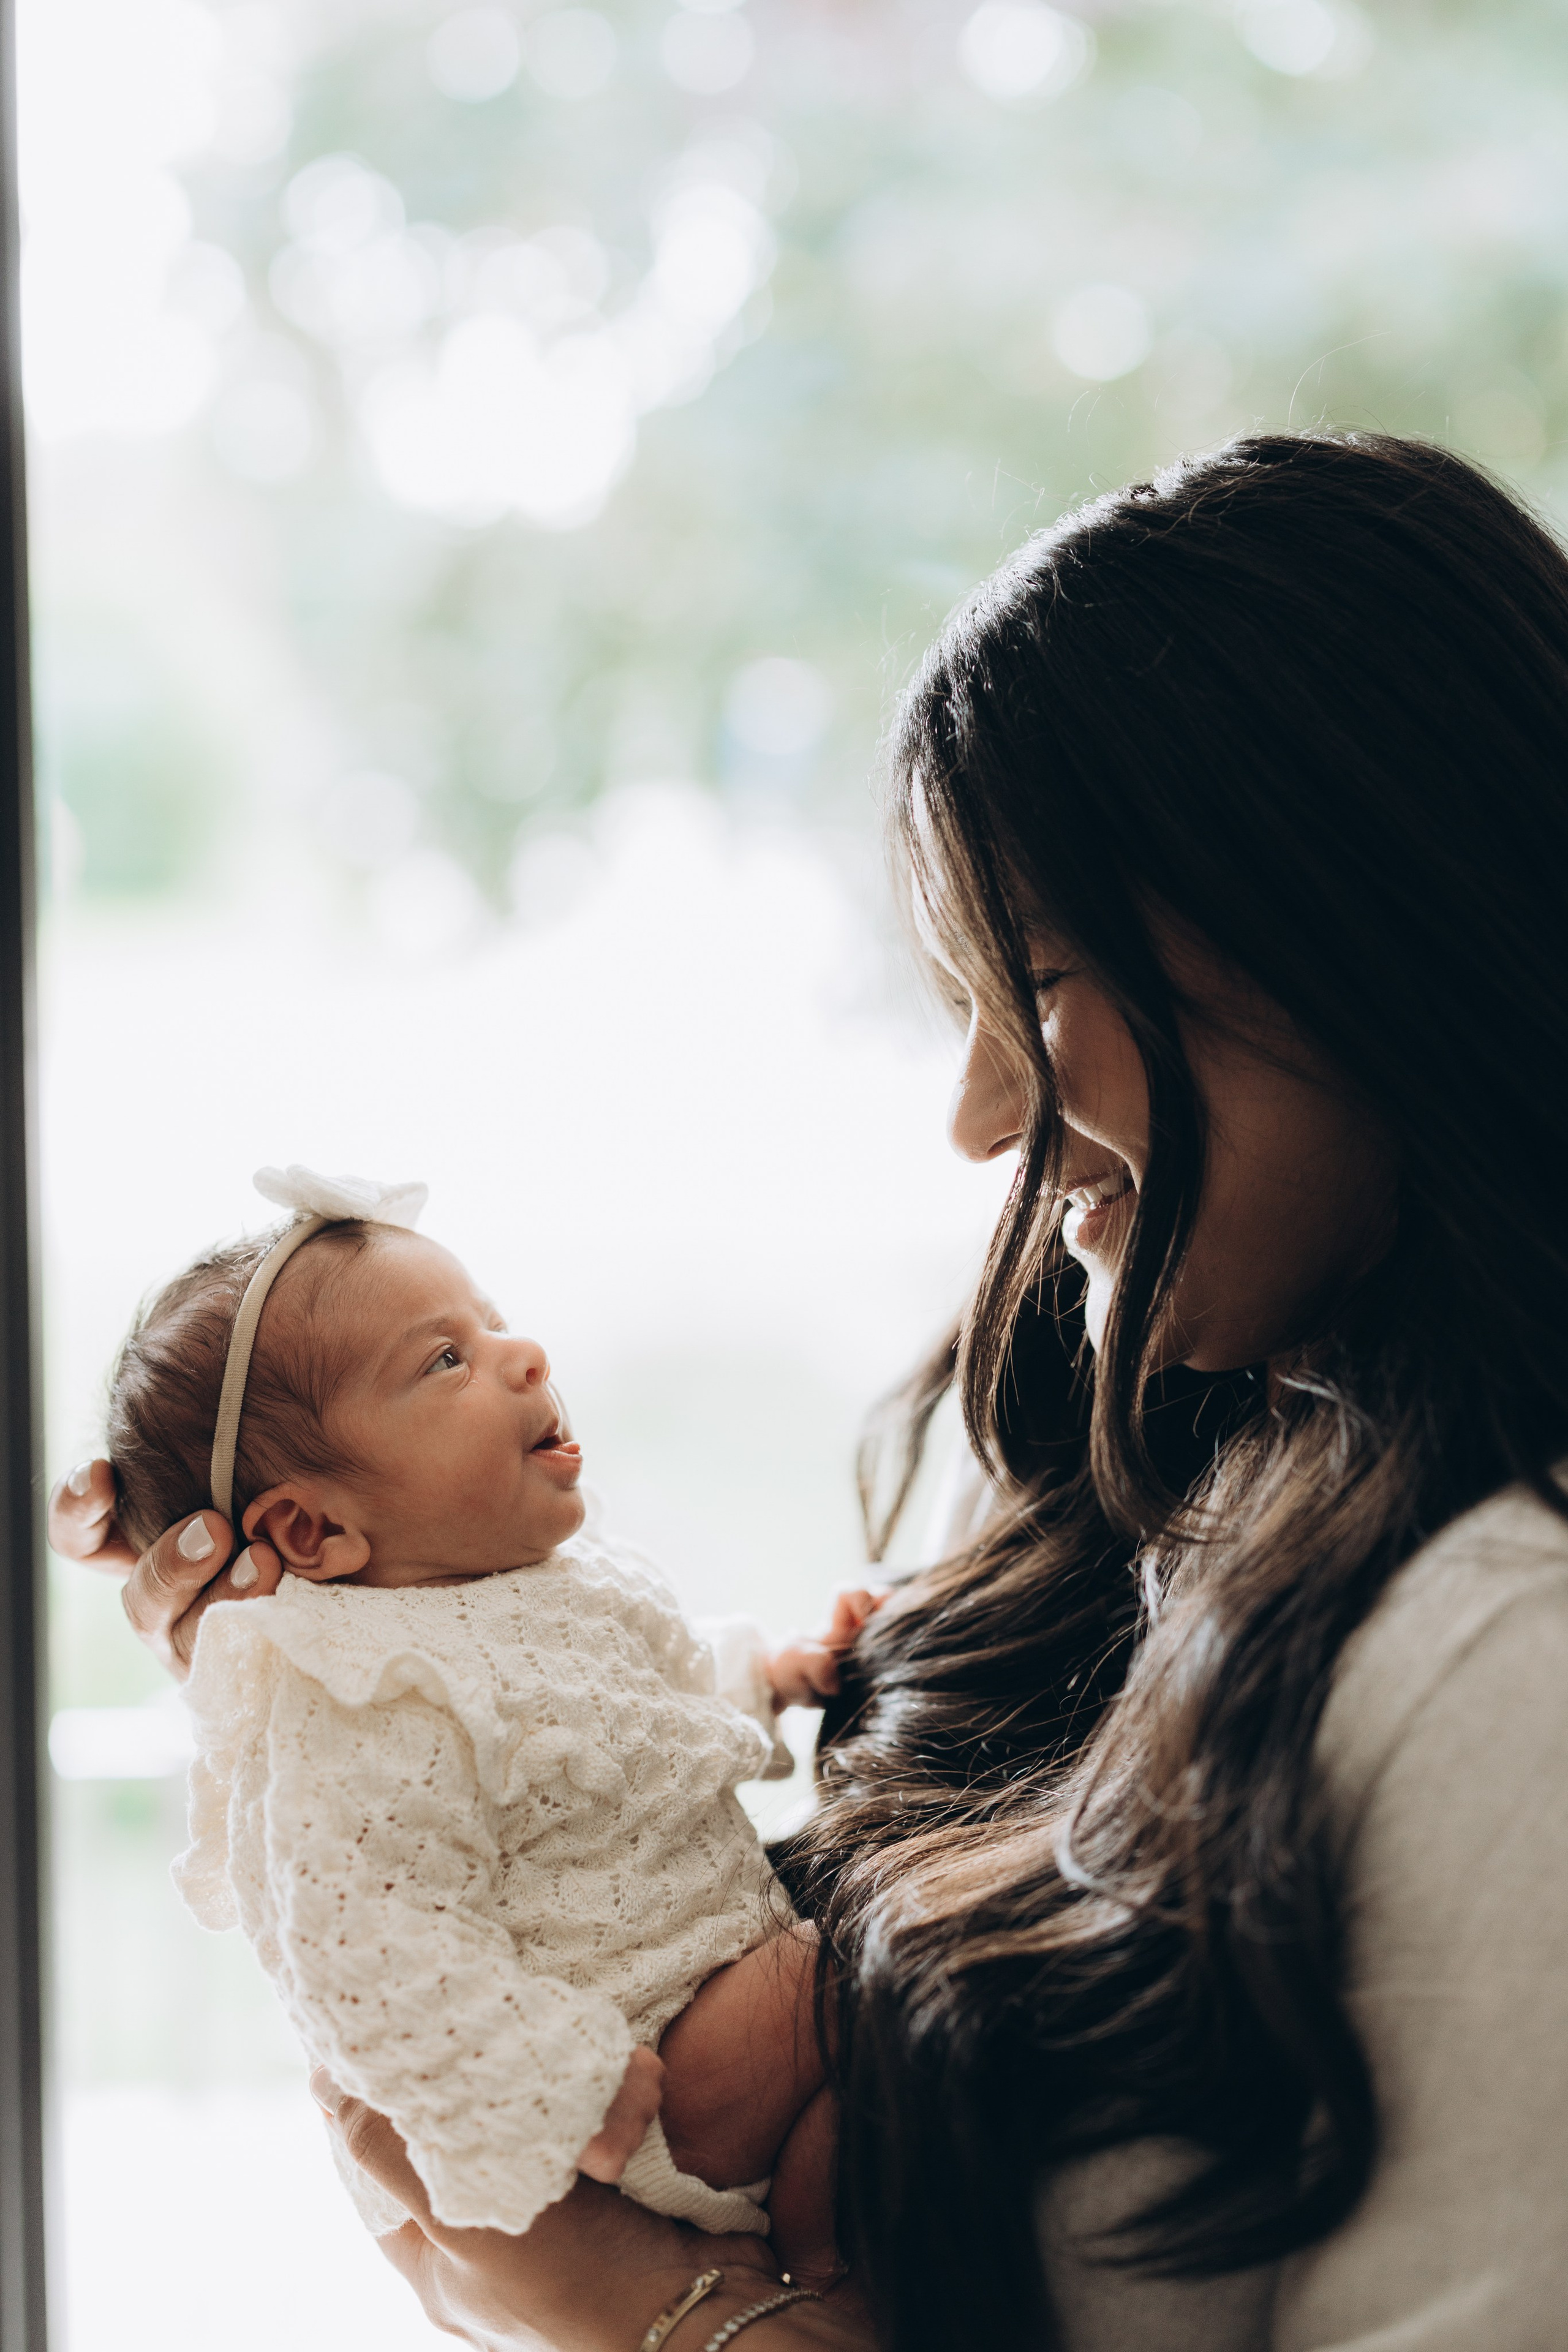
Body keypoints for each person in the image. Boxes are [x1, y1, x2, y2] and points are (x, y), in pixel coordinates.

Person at [51, 429, 1568, 2351]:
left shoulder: (1509, 1661)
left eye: (1029, 985)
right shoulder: (1155, 1444)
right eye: (958, 1013)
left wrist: (670, 2320)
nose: (978, 1120)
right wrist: (384, 1653)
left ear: (1361, 931)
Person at [102, 1159, 868, 2278]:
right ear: (312, 1534)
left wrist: (778, 1669)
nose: (526, 1356)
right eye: (446, 1359)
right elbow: (365, 1943)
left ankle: (807, 2295)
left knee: (847, 2183)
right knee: (874, 1962)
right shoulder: (364, 1701)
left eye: (495, 1323)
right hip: (643, 2070)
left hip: (708, 2014)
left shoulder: (541, 1593)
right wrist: (553, 2086)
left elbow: (637, 1700)